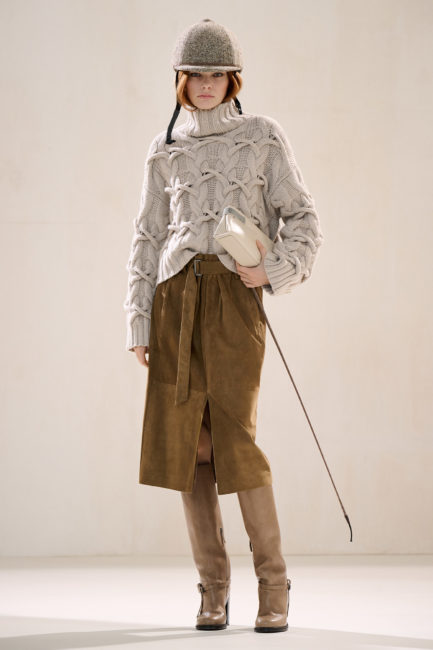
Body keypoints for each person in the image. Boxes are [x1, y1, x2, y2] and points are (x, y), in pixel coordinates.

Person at [123, 18, 324, 633]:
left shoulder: (262, 136)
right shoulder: (165, 148)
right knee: (190, 446)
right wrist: (139, 319)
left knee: (236, 440)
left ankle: (273, 583)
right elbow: (147, 236)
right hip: (175, 301)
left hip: (235, 301)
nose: (205, 83)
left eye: (216, 73)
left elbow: (304, 219)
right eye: (195, 74)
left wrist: (273, 270)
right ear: (180, 81)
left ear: (233, 78)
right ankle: (213, 588)